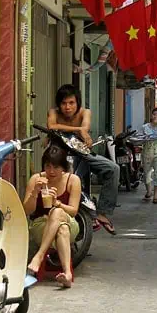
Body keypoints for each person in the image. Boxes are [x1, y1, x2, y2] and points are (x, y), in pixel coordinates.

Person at [47, 84, 119, 235]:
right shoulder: (53, 112)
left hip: (81, 153)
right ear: (59, 104)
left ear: (77, 102)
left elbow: (85, 127)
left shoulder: (85, 112)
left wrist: (82, 130)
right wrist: (78, 130)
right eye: (64, 103)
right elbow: (52, 126)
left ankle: (102, 212)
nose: (67, 107)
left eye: (71, 103)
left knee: (113, 168)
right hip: (58, 156)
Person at [24, 146, 81, 288]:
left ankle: (39, 256)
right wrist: (34, 193)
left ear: (63, 167)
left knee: (57, 213)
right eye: (48, 166)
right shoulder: (37, 179)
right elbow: (26, 210)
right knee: (62, 229)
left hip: (69, 221)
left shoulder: (73, 180)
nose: (51, 171)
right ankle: (67, 274)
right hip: (41, 225)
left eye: (56, 167)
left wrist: (57, 203)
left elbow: (73, 211)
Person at [140, 107, 157, 204]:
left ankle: (155, 197)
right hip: (147, 153)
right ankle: (149, 192)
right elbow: (141, 138)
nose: (155, 116)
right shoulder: (145, 127)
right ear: (151, 115)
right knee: (147, 173)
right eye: (154, 114)